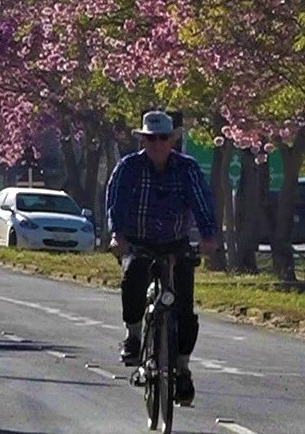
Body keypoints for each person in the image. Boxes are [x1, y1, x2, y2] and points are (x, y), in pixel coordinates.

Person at [107, 111, 218, 407]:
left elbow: (201, 201)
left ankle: (182, 368)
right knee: (132, 279)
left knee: (184, 306)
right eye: (152, 138)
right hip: (139, 240)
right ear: (143, 139)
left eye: (163, 138)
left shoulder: (187, 169)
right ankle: (132, 335)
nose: (158, 144)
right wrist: (117, 234)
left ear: (172, 140)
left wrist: (208, 236)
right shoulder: (129, 167)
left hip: (175, 242)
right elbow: (117, 201)